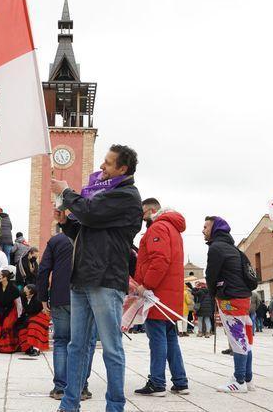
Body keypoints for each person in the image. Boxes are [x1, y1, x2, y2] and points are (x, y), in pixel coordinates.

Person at [49, 144, 142, 412]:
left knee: (111, 348)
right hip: (83, 278)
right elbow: (86, 229)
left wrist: (66, 192)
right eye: (104, 161)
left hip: (105, 280)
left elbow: (90, 211)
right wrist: (67, 223)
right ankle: (69, 404)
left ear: (122, 170)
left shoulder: (125, 195)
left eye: (109, 163)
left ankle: (115, 406)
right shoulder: (105, 193)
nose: (102, 166)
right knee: (76, 345)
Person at [132, 198, 189, 397]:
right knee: (171, 338)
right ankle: (180, 381)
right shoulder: (173, 228)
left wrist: (146, 284)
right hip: (170, 295)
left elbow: (159, 259)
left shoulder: (157, 228)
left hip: (157, 295)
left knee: (156, 339)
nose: (142, 218)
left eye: (142, 213)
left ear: (151, 210)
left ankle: (157, 382)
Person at [36, 230, 96, 401]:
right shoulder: (92, 236)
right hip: (86, 297)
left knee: (61, 341)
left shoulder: (56, 240)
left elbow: (43, 269)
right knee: (86, 343)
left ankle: (60, 388)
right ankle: (81, 387)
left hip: (60, 296)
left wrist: (42, 297)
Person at [205, 216, 255, 392]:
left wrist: (212, 295)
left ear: (215, 229)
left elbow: (210, 276)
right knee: (245, 337)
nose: (203, 230)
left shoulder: (216, 248)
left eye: (206, 227)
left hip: (230, 299)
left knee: (236, 338)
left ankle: (239, 380)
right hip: (243, 297)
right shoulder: (232, 248)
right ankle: (248, 379)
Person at [15, 284, 50, 356]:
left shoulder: (38, 299)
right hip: (29, 317)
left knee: (33, 326)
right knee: (21, 328)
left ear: (30, 290)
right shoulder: (23, 297)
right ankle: (28, 348)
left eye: (25, 289)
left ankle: (36, 348)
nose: (24, 290)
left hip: (40, 317)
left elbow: (40, 309)